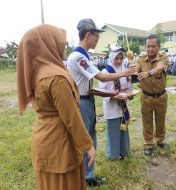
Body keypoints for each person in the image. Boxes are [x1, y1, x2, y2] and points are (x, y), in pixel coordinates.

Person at [16, 24, 95, 190]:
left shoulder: (36, 72)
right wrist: (88, 145)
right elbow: (71, 117)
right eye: (62, 44)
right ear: (49, 44)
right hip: (60, 143)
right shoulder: (56, 78)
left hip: (43, 138)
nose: (64, 48)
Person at [67, 18, 135, 186]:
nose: (98, 39)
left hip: (87, 99)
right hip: (81, 103)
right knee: (84, 139)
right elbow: (102, 77)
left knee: (90, 138)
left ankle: (87, 176)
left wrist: (107, 92)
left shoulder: (84, 56)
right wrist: (124, 73)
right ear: (88, 34)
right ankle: (83, 178)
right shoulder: (78, 57)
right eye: (97, 35)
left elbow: (88, 87)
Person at [135, 34, 169, 156]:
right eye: (148, 46)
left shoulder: (164, 58)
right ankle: (148, 144)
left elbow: (160, 68)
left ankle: (160, 140)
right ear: (145, 47)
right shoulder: (140, 59)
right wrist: (133, 70)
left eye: (153, 46)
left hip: (161, 96)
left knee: (161, 120)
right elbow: (135, 68)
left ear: (158, 47)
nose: (150, 49)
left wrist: (148, 73)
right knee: (147, 121)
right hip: (146, 96)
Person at [99, 44, 133, 160]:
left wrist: (130, 94)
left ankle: (124, 152)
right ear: (111, 58)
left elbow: (128, 86)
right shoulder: (105, 71)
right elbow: (101, 91)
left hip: (122, 105)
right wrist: (113, 95)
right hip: (112, 106)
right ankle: (113, 155)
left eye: (121, 58)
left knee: (124, 128)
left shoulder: (125, 69)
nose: (119, 61)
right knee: (113, 130)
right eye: (116, 58)